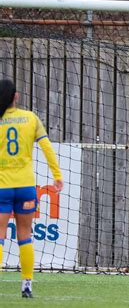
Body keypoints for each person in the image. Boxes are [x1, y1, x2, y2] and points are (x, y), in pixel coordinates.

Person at [0, 79, 63, 298]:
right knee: (25, 235)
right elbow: (46, 147)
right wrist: (57, 176)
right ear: (15, 96)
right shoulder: (30, 118)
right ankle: (27, 285)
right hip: (26, 187)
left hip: (2, 188)